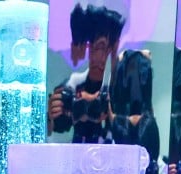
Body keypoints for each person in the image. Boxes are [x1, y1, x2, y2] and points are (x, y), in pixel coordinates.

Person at [48, 4, 124, 144]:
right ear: (87, 47)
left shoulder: (120, 89)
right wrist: (51, 116)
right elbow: (55, 127)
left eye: (109, 49)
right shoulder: (72, 85)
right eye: (97, 47)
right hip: (78, 155)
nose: (102, 57)